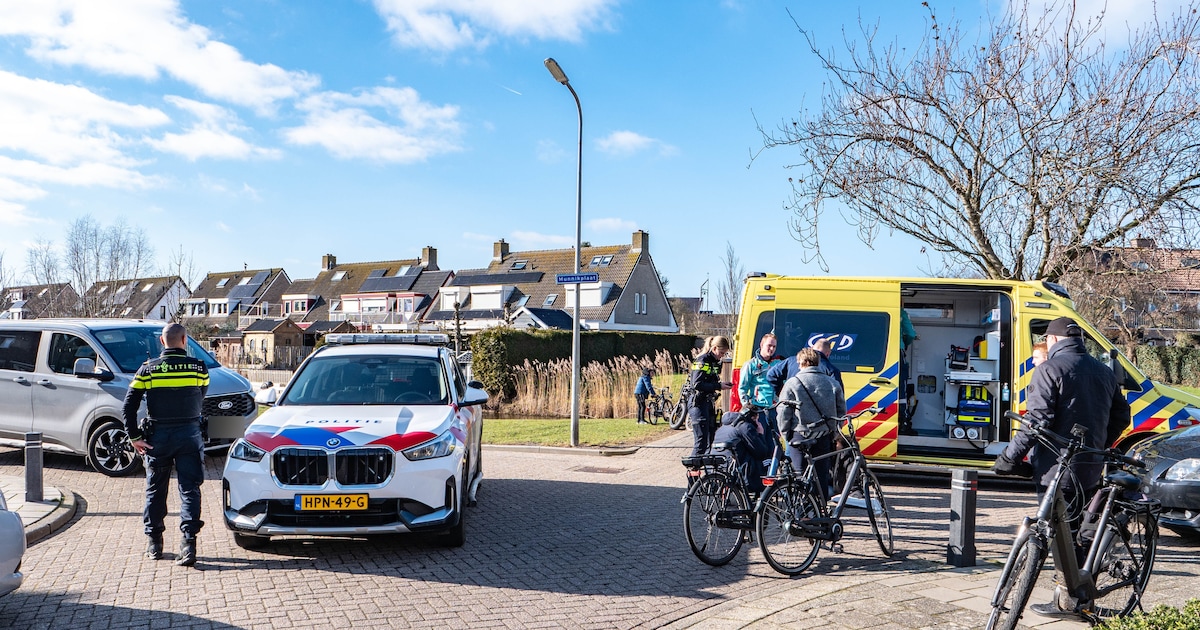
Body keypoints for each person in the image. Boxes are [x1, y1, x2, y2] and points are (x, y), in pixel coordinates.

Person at [992, 316, 1131, 618]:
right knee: (1076, 534)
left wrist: (1009, 458)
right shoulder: (1104, 372)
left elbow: (1036, 421)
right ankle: (1079, 597)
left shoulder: (1049, 369)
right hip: (1090, 468)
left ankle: (1069, 601)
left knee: (1057, 537)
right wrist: (1098, 444)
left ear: (1052, 340)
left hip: (1055, 469)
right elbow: (1122, 416)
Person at [123, 323, 209, 567]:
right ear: (185, 340)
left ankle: (154, 544)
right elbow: (201, 395)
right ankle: (188, 544)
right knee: (189, 490)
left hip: (157, 438)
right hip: (189, 435)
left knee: (155, 490)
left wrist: (134, 437)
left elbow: (128, 406)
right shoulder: (198, 367)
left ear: (162, 342)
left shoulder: (147, 369)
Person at [777, 348, 846, 500]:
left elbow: (783, 412)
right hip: (823, 435)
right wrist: (834, 431)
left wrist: (785, 433)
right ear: (818, 362)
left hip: (799, 435)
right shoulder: (832, 383)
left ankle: (801, 508)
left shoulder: (793, 383)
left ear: (800, 363)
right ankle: (820, 508)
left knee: (800, 475)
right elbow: (841, 410)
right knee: (821, 475)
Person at [686, 336, 733, 456]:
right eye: (721, 353)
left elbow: (711, 380)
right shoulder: (702, 360)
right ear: (714, 348)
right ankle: (694, 466)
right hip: (698, 403)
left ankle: (706, 467)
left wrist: (720, 384)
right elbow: (697, 384)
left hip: (708, 403)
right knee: (701, 443)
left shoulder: (714, 362)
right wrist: (718, 386)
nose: (722, 356)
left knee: (709, 441)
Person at [712, 409, 775, 495]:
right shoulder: (745, 426)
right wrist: (760, 433)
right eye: (757, 419)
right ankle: (765, 493)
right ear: (753, 417)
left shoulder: (721, 428)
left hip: (720, 465)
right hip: (737, 469)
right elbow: (761, 452)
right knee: (767, 460)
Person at [738, 333, 782, 416]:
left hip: (775, 407)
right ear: (761, 345)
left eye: (774, 346)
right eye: (769, 345)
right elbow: (742, 388)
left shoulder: (779, 364)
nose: (772, 349)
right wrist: (747, 405)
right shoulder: (750, 365)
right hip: (757, 408)